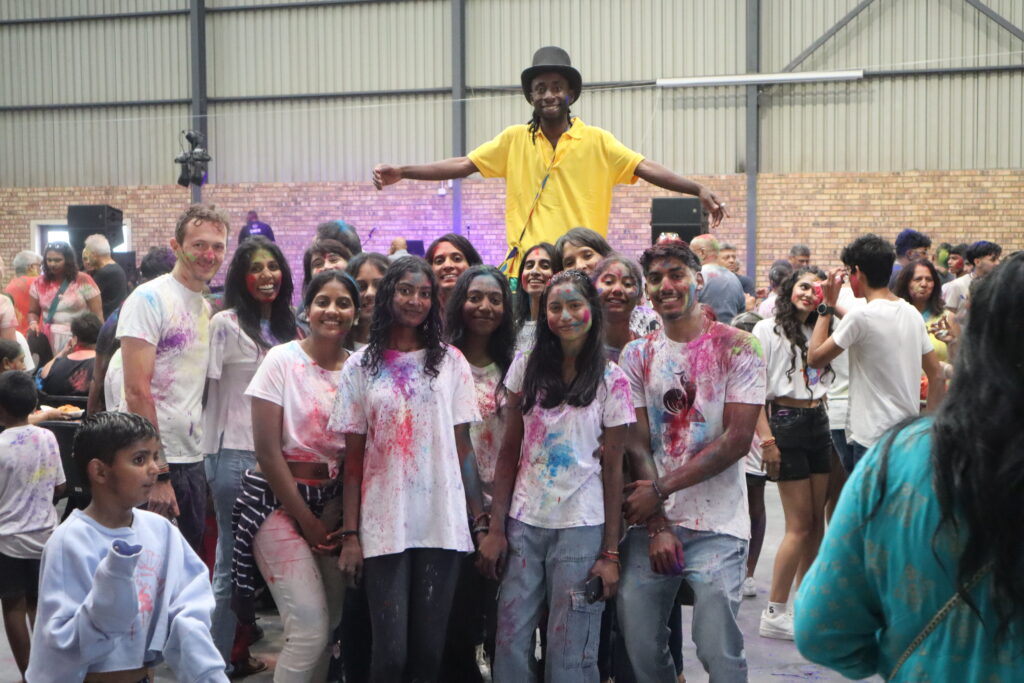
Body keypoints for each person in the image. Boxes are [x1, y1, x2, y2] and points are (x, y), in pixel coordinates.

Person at [794, 252, 1024, 681]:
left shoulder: (902, 462)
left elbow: (822, 631)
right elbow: (935, 374)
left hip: (888, 443)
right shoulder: (911, 319)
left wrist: (916, 658)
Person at [372, 46, 725, 273]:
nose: (549, 94)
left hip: (581, 267)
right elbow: (463, 164)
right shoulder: (513, 140)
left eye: (556, 86)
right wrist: (404, 171)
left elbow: (645, 168)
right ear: (531, 97)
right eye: (540, 88)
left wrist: (697, 188)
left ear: (570, 93)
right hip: (530, 269)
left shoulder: (597, 140)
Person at [616, 240, 766, 683]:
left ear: (699, 280)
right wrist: (659, 522)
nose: (667, 285)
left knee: (717, 644)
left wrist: (661, 488)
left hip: (719, 522)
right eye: (657, 278)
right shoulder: (636, 355)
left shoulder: (739, 347)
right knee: (640, 640)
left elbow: (737, 440)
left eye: (676, 274)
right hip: (652, 523)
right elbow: (637, 443)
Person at [331, 256, 483, 683]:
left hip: (441, 520)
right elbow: (353, 460)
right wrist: (350, 535)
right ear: (387, 295)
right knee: (391, 656)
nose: (415, 300)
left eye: (424, 292)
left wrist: (480, 521)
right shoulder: (360, 366)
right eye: (405, 290)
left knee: (428, 657)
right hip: (383, 523)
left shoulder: (451, 362)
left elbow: (463, 447)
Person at [476, 269, 632, 683]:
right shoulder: (525, 369)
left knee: (571, 653)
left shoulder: (612, 379)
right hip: (524, 525)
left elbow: (614, 468)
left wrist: (610, 552)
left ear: (592, 311)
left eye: (575, 305)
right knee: (510, 643)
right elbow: (509, 453)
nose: (565, 315)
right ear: (543, 314)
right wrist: (495, 529)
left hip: (581, 529)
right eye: (555, 307)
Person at [26, 411, 227, 683]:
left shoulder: (161, 531)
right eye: (139, 459)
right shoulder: (69, 542)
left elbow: (188, 607)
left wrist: (208, 674)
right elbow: (61, 645)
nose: (154, 468)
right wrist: (112, 589)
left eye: (155, 457)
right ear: (100, 471)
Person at [234, 269, 354, 681]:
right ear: (307, 307)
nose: (332, 310)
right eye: (323, 301)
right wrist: (307, 520)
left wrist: (333, 516)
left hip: (334, 508)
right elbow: (267, 452)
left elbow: (357, 454)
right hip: (276, 503)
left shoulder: (357, 369)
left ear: (355, 313)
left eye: (343, 302)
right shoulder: (282, 359)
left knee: (331, 623)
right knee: (308, 629)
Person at [202, 236, 296, 676]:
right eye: (256, 268)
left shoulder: (288, 326)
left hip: (280, 457)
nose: (265, 275)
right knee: (228, 563)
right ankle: (215, 663)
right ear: (242, 276)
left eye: (273, 267)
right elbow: (205, 391)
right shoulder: (224, 323)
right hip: (233, 454)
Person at [118, 204, 229, 553]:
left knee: (185, 569)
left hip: (191, 458)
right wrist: (158, 472)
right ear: (176, 246)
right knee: (149, 571)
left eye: (218, 246)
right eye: (198, 244)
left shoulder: (203, 306)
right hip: (149, 461)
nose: (208, 254)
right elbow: (137, 391)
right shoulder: (149, 298)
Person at [808, 234, 946, 469]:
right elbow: (937, 375)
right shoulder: (911, 313)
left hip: (871, 438)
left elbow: (815, 359)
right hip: (906, 435)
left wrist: (826, 306)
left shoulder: (862, 316)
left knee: (869, 505)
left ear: (857, 272)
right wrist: (926, 429)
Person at [440, 265, 516, 682]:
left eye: (495, 299)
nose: (484, 306)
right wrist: (477, 519)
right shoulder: (441, 362)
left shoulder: (517, 366)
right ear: (459, 303)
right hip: (454, 510)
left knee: (504, 618)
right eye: (475, 297)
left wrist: (496, 518)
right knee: (459, 618)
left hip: (509, 507)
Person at [752, 268, 834, 640]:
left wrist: (830, 309)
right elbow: (753, 394)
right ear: (789, 290)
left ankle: (807, 604)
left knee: (816, 523)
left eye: (817, 290)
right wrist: (767, 443)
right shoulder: (765, 329)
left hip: (819, 420)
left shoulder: (818, 329)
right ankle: (775, 611)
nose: (810, 294)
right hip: (785, 422)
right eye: (804, 286)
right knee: (798, 526)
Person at [0, 370, 66, 680]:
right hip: (46, 539)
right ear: (34, 402)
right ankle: (46, 669)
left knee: (12, 605)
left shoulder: (1, 445)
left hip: (8, 542)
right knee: (39, 604)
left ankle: (28, 673)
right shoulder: (48, 437)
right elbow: (60, 488)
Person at [87, 246, 176, 415]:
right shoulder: (121, 316)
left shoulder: (118, 315)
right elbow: (98, 376)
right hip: (130, 416)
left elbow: (97, 378)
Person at [556, 227, 660, 337]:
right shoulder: (564, 321)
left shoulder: (644, 320)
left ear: (606, 257)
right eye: (569, 263)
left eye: (587, 256)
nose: (579, 266)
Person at [729, 311, 768, 601]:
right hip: (731, 442)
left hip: (754, 444)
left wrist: (767, 439)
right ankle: (734, 567)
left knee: (755, 502)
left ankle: (749, 571)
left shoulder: (761, 362)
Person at [28, 241, 103, 353]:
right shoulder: (38, 283)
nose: (52, 264)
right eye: (49, 260)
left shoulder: (83, 280)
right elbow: (32, 312)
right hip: (47, 340)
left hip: (78, 339)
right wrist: (33, 323)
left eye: (58, 260)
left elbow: (97, 316)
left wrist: (98, 343)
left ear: (68, 261)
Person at [894, 259, 957, 373]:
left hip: (939, 387)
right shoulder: (894, 316)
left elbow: (960, 364)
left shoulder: (948, 318)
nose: (924, 284)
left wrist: (951, 343)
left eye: (929, 279)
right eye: (918, 279)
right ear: (906, 283)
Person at [592, 253, 644, 362]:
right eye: (609, 282)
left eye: (628, 284)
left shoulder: (646, 351)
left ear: (640, 295)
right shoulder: (580, 349)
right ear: (592, 290)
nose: (617, 289)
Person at [39, 311, 101, 397]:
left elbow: (43, 374)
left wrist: (62, 352)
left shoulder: (55, 366)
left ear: (74, 339)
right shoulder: (103, 364)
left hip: (57, 409)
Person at [513, 242, 561, 351]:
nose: (534, 271)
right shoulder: (514, 327)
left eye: (545, 266)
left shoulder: (563, 325)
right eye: (529, 266)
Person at [690, 234, 746, 324]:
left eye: (692, 252)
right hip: (729, 335)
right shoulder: (734, 279)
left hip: (703, 335)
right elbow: (741, 313)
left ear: (702, 252)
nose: (690, 257)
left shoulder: (696, 276)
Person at [942, 239, 1002, 316]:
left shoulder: (999, 285)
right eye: (993, 260)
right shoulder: (957, 285)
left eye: (998, 259)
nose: (998, 263)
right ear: (977, 262)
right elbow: (948, 317)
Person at [345, 251, 390, 350]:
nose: (370, 293)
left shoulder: (405, 344)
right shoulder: (335, 344)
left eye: (378, 285)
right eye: (361, 286)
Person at [425, 233, 483, 309]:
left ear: (472, 265)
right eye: (439, 261)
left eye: (457, 259)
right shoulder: (421, 311)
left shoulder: (484, 309)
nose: (448, 265)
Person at [82, 234, 128, 319]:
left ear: (94, 255)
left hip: (107, 322)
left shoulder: (104, 273)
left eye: (87, 254)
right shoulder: (116, 268)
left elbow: (86, 297)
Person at [5, 250, 42, 334]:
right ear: (31, 267)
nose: (41, 270)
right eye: (39, 266)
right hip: (34, 334)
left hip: (16, 335)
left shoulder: (9, 286)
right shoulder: (38, 283)